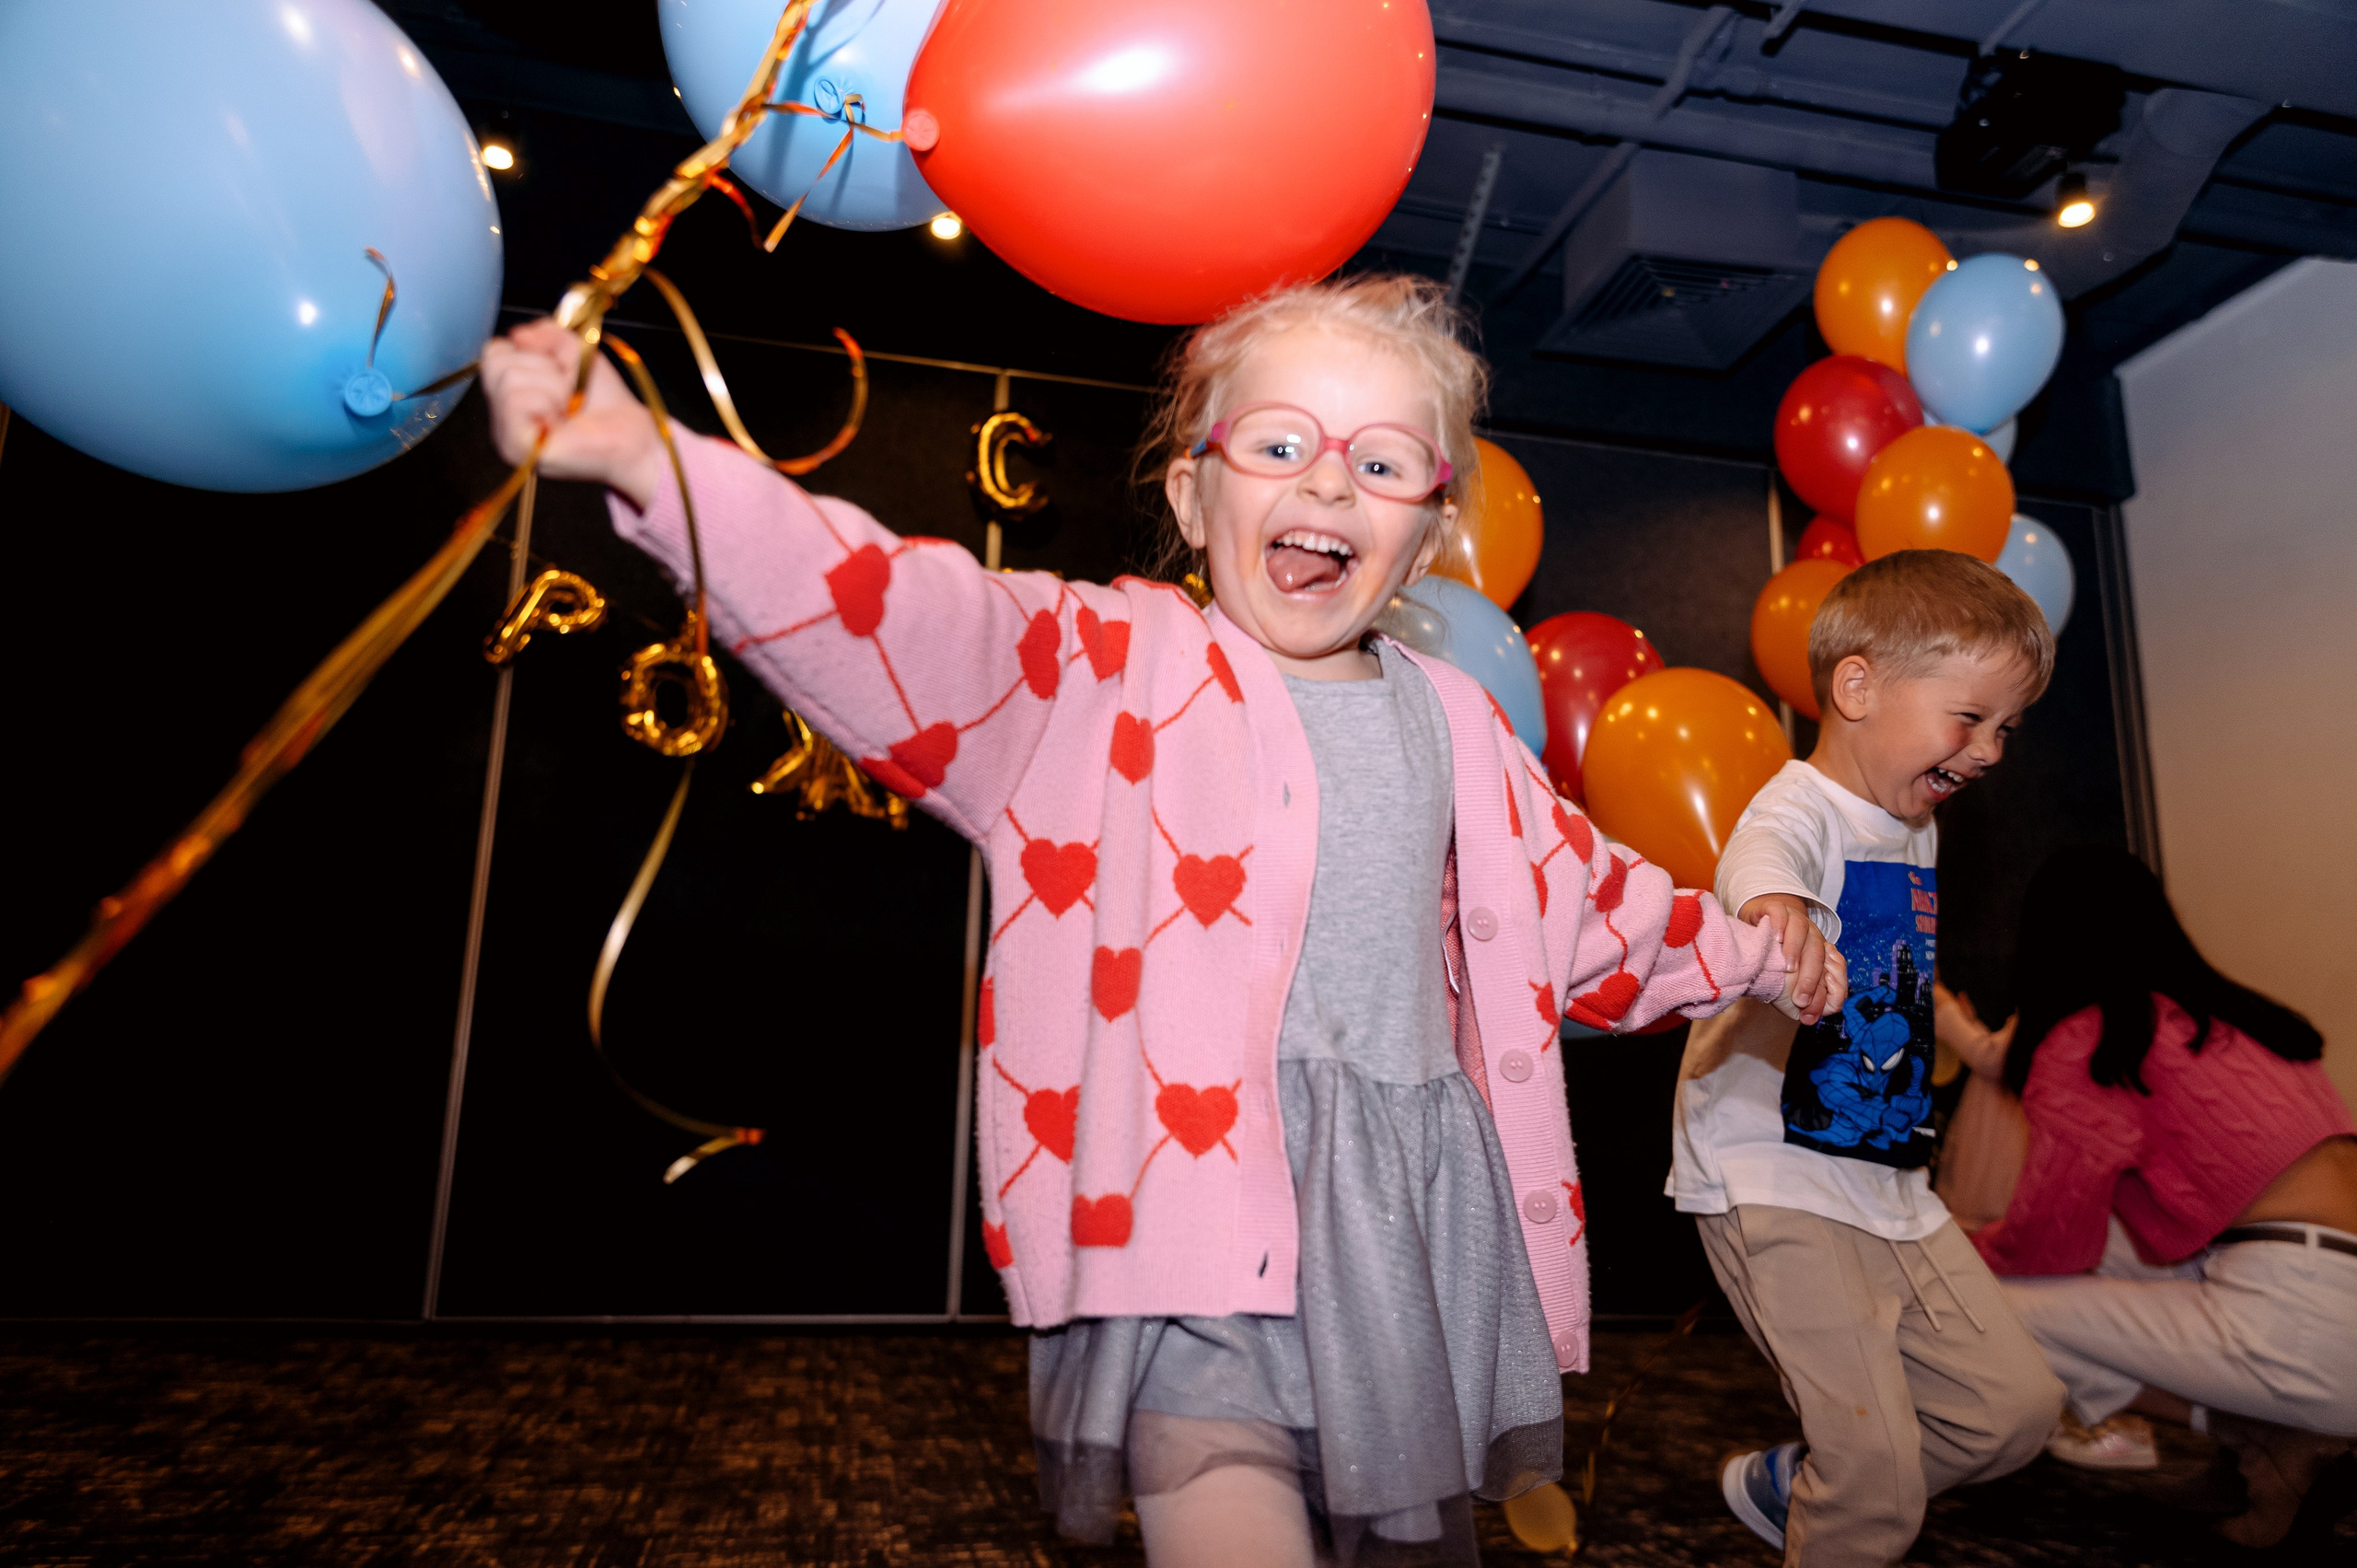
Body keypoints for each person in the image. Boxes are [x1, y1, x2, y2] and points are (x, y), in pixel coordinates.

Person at [477, 275, 1838, 1567]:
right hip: (1190, 1196)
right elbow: (890, 606)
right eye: (1282, 442)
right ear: (1193, 495)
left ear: (1427, 533)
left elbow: (1595, 909)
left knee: (1400, 1525)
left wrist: (1762, 943)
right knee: (1223, 1490)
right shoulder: (1096, 674)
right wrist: (655, 465)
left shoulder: (1460, 724)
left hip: (1403, 1212)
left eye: (1380, 463)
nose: (1326, 482)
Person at [1668, 552, 2066, 1567]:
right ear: (1857, 687)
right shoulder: (1798, 806)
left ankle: (1805, 1481)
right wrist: (1778, 907)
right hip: (1774, 1167)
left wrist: (1968, 1041)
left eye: (2006, 728)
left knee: (2012, 1409)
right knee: (1878, 1477)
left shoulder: (1912, 826)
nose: (1989, 750)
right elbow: (1761, 858)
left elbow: (1889, 963)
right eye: (1969, 717)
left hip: (1882, 1169)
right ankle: (1846, 1493)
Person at [1957, 845, 2357, 1549]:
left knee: (1987, 1302)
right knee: (2093, 1254)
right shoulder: (2238, 1019)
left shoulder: (2092, 1038)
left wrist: (1960, 1247)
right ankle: (2257, 1441)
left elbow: (2049, 1244)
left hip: (2307, 1315)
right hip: (2314, 1290)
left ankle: (2259, 1435)